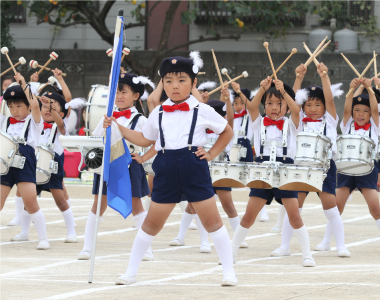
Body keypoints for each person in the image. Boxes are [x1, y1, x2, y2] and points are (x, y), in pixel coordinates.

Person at [105, 52, 237, 286]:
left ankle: (229, 272)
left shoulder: (202, 109)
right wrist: (117, 126)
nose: (174, 86)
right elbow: (146, 139)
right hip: (165, 166)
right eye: (168, 81)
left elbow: (227, 131)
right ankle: (131, 272)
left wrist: (211, 153)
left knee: (212, 221)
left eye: (181, 80)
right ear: (162, 84)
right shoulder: (158, 112)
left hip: (193, 165)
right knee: (151, 224)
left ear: (193, 82)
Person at [231, 76, 316, 267]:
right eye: (269, 103)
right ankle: (231, 253)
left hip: (285, 171)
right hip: (262, 171)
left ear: (286, 106)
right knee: (248, 215)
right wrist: (262, 88)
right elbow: (251, 107)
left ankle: (307, 254)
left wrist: (284, 91)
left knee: (294, 216)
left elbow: (296, 109)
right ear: (264, 106)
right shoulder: (258, 122)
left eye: (279, 103)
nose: (274, 107)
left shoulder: (292, 124)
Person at [270, 63, 350, 258]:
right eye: (309, 105)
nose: (313, 109)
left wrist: (324, 75)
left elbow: (330, 99)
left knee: (331, 208)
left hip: (324, 167)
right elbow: (293, 101)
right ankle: (285, 246)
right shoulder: (297, 120)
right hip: (300, 168)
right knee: (294, 208)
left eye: (318, 105)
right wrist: (298, 77)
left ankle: (340, 246)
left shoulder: (330, 121)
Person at [77, 72, 154, 261]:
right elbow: (95, 140)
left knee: (137, 206)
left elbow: (152, 142)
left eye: (124, 92)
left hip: (130, 167)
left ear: (136, 96)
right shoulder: (107, 117)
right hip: (107, 166)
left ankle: (147, 249)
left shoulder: (141, 120)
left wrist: (142, 158)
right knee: (98, 205)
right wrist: (105, 126)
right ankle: (87, 247)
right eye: (116, 91)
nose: (119, 96)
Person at [316, 78, 380, 250]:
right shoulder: (347, 124)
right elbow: (347, 107)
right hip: (345, 169)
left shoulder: (375, 126)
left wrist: (370, 89)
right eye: (357, 111)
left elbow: (375, 108)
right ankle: (326, 242)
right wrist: (353, 89)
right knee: (336, 207)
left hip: (367, 169)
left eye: (364, 111)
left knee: (376, 208)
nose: (360, 114)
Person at [11, 92, 77, 243]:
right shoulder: (35, 125)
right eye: (45, 106)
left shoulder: (60, 127)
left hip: (53, 167)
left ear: (60, 113)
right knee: (29, 202)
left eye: (53, 106)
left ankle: (71, 232)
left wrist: (51, 108)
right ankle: (24, 232)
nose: (47, 109)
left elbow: (60, 124)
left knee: (60, 200)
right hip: (34, 166)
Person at [0, 74, 49, 250]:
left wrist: (23, 83)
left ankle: (43, 238)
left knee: (31, 202)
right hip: (5, 166)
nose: (14, 110)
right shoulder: (4, 121)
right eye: (11, 106)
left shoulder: (34, 122)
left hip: (25, 164)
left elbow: (36, 104)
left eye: (19, 106)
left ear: (28, 106)